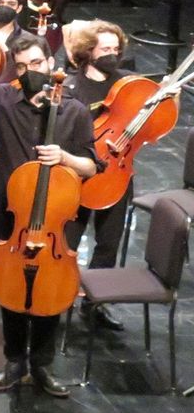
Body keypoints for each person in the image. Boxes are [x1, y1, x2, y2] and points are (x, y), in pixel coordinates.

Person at [0, 11, 98, 398]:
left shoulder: (74, 110)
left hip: (58, 212)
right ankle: (14, 361)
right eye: (24, 65)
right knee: (12, 286)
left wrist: (64, 157)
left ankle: (42, 365)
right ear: (15, 68)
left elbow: (92, 164)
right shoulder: (2, 99)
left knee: (51, 288)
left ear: (51, 63)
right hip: (6, 208)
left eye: (39, 63)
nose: (33, 70)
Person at [62, 19, 132, 331]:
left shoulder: (128, 84)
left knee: (108, 243)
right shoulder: (71, 86)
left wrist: (171, 94)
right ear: (88, 51)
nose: (112, 55)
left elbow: (151, 120)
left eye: (116, 49)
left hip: (117, 172)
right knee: (68, 241)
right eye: (105, 49)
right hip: (78, 172)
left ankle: (95, 304)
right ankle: (58, 296)